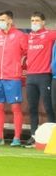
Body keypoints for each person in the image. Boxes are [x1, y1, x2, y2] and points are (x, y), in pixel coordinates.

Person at [0, 12, 27, 146]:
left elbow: (27, 54)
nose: (1, 22)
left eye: (3, 19)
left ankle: (16, 137)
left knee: (15, 108)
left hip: (12, 77)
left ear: (10, 20)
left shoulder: (20, 35)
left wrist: (22, 69)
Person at [24, 13, 56, 145]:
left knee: (49, 106)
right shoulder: (29, 36)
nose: (34, 23)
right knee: (32, 107)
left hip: (44, 75)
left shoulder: (49, 34)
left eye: (37, 20)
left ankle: (53, 135)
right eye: (32, 20)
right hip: (30, 76)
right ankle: (33, 135)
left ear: (43, 22)